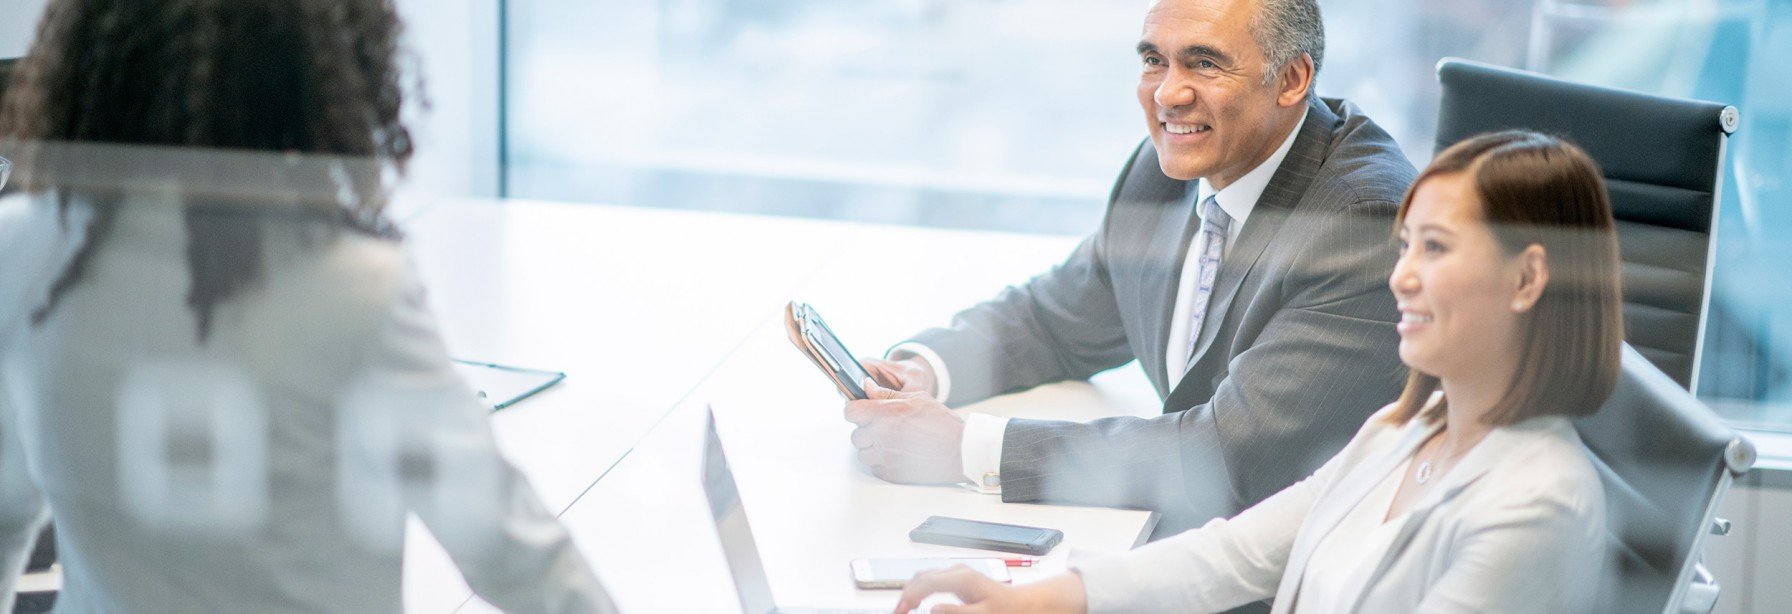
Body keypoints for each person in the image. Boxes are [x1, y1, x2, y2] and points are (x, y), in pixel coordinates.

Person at [0, 0, 616, 611]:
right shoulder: (352, 286)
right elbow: (514, 558)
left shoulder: (22, 254)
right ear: (315, 67)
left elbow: (4, 517)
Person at [893, 130, 1622, 613]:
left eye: (1434, 248)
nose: (1398, 278)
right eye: (1403, 248)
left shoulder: (1536, 504)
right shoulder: (1409, 429)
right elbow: (1237, 555)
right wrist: (1039, 598)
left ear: (1527, 280)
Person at [844, 0, 1415, 536]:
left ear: (1291, 80)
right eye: (1153, 61)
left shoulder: (1362, 223)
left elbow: (1228, 456)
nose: (1168, 94)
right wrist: (923, 372)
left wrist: (963, 449)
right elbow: (1057, 318)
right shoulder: (1169, 165)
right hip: (1187, 540)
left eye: (1205, 63)